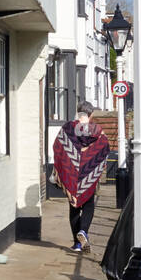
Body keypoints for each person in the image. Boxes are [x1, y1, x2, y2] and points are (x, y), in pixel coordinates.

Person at [51, 101, 110, 254]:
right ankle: (83, 231)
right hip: (89, 175)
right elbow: (105, 149)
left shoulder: (68, 129)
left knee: (74, 207)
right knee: (89, 205)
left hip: (71, 175)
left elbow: (57, 147)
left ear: (78, 113)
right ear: (91, 114)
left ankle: (77, 244)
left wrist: (64, 167)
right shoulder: (98, 131)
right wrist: (95, 166)